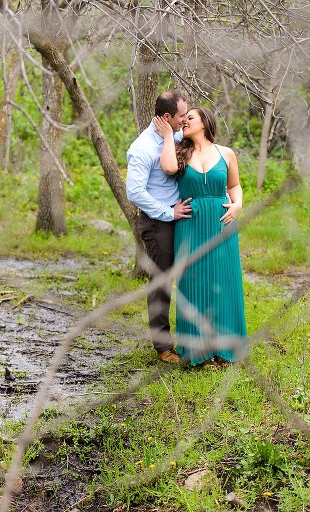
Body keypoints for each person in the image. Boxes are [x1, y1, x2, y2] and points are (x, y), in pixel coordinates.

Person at [154, 107, 247, 366]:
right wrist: (165, 137)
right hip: (191, 226)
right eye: (183, 119)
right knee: (193, 284)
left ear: (205, 123)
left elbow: (234, 186)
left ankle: (225, 349)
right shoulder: (180, 151)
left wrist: (238, 204)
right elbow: (169, 167)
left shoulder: (226, 153)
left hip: (221, 223)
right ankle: (198, 352)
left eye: (190, 118)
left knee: (224, 283)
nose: (184, 122)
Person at [126, 91, 192, 363]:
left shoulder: (176, 136)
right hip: (158, 223)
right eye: (181, 116)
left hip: (180, 218)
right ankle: (163, 347)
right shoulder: (141, 149)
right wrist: (167, 212)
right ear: (167, 118)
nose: (185, 119)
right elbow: (134, 192)